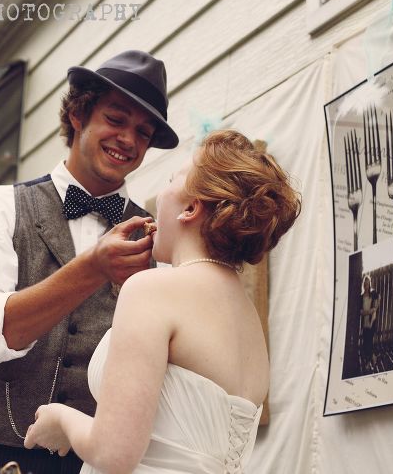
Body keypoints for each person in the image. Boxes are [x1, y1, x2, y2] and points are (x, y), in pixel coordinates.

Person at [0, 50, 179, 474]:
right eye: (115, 119)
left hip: (101, 462)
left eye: (143, 132)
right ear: (77, 114)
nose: (128, 140)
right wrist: (93, 268)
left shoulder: (161, 238)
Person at [24, 130, 301, 473]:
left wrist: (61, 419)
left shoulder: (151, 290)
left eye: (171, 180)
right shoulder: (249, 319)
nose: (161, 195)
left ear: (190, 208)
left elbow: (114, 454)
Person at [360, 275, 380, 372]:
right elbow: (361, 312)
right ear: (363, 285)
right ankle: (372, 358)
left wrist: (374, 309)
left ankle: (369, 362)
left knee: (369, 342)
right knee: (365, 343)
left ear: (370, 284)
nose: (366, 285)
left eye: (367, 283)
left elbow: (378, 300)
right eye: (365, 284)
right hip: (364, 323)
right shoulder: (361, 297)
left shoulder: (373, 294)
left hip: (371, 322)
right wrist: (369, 311)